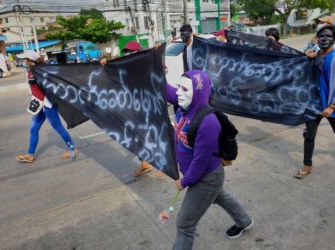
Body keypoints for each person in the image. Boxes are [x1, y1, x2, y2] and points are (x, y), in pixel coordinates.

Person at [167, 70, 254, 250]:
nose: (178, 93)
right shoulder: (183, 105)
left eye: (184, 89)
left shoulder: (208, 122)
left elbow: (201, 161)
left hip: (206, 178)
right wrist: (145, 66)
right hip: (204, 176)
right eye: (178, 87)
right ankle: (244, 221)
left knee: (184, 224)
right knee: (220, 196)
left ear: (198, 92)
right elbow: (163, 88)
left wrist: (184, 182)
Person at [100, 41, 163, 177]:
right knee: (136, 135)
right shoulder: (125, 67)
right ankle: (144, 163)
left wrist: (156, 52)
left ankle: (161, 165)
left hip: (149, 105)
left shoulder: (146, 64)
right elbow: (112, 72)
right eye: (127, 52)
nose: (128, 55)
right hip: (133, 106)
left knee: (153, 133)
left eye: (131, 52)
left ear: (138, 53)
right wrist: (105, 64)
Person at [15, 50, 78, 163]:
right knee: (33, 129)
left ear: (30, 60)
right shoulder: (32, 70)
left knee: (58, 127)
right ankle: (30, 154)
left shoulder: (38, 71)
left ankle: (72, 149)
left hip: (47, 105)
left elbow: (49, 85)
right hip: (39, 104)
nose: (23, 61)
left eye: (25, 59)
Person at [295, 25, 335, 179]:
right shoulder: (314, 56)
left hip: (332, 106)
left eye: (328, 36)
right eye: (321, 36)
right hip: (314, 105)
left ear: (334, 39)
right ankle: (307, 166)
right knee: (309, 136)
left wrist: (333, 106)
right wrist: (308, 56)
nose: (324, 39)